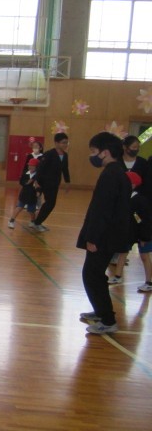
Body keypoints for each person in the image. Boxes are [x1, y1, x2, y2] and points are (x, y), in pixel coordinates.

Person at [78, 132, 130, 334]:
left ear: (105, 152)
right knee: (95, 274)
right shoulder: (116, 172)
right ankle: (101, 311)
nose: (92, 156)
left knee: (92, 275)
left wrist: (93, 238)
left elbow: (103, 210)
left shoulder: (111, 175)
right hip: (108, 235)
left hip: (104, 237)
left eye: (94, 151)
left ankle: (108, 320)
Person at [107, 171, 152, 288]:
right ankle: (118, 276)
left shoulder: (140, 200)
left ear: (132, 185)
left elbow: (145, 220)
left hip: (143, 233)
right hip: (129, 232)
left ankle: (149, 282)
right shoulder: (124, 198)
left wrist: (144, 237)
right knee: (123, 252)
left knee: (145, 256)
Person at [33, 133, 70, 232]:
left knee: (50, 203)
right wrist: (36, 181)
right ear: (56, 143)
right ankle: (37, 223)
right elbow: (40, 168)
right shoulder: (49, 154)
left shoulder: (65, 155)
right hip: (45, 182)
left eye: (66, 143)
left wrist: (67, 182)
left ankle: (38, 222)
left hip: (55, 184)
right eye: (63, 142)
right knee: (50, 203)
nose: (65, 145)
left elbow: (65, 169)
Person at [8, 158, 40, 229]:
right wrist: (27, 182)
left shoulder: (38, 175)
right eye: (29, 165)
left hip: (32, 195)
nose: (30, 167)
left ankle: (32, 221)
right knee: (19, 207)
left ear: (36, 167)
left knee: (31, 210)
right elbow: (21, 182)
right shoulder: (25, 173)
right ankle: (11, 221)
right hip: (24, 193)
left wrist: (38, 191)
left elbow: (38, 185)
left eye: (33, 166)